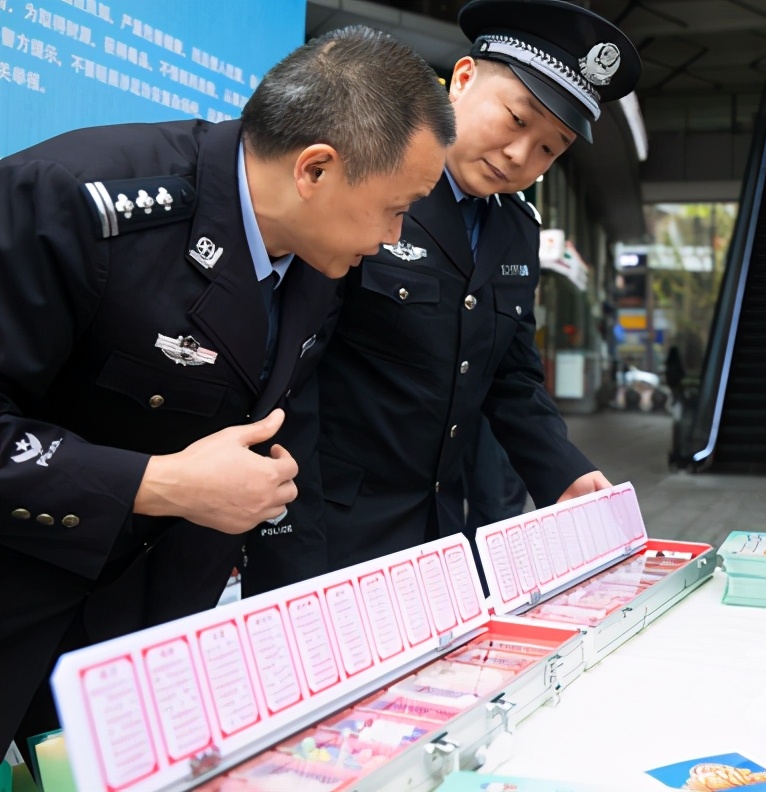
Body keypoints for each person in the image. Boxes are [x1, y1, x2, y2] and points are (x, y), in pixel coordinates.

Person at [0, 27, 454, 755]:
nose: (396, 236)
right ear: (315, 169)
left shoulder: (320, 257)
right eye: (397, 208)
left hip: (142, 641)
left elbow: (272, 420)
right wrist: (157, 484)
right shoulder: (73, 201)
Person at [243, 0, 641, 588]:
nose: (520, 156)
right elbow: (290, 372)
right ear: (463, 78)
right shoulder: (367, 185)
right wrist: (287, 537)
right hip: (328, 523)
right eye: (516, 119)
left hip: (437, 529)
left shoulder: (515, 229)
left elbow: (510, 376)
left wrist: (565, 473)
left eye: (549, 149)